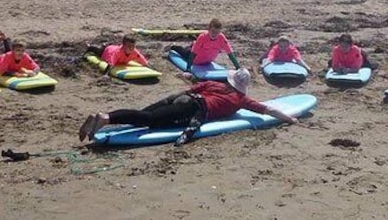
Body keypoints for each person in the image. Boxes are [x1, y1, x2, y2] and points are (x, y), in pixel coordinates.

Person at [78, 68, 297, 143]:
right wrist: (289, 119)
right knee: (150, 121)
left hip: (181, 97)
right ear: (244, 86)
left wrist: (184, 82)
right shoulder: (242, 99)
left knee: (144, 114)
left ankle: (107, 118)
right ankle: (105, 118)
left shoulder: (215, 83)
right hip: (191, 108)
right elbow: (269, 110)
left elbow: (193, 85)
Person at [174, 18, 241, 71]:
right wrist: (188, 68)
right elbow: (193, 53)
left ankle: (193, 44)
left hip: (207, 61)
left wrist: (238, 67)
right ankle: (172, 47)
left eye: (217, 32)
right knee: (182, 51)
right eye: (213, 31)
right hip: (195, 58)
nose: (214, 34)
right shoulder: (203, 37)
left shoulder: (221, 38)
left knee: (198, 46)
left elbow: (230, 53)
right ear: (209, 30)